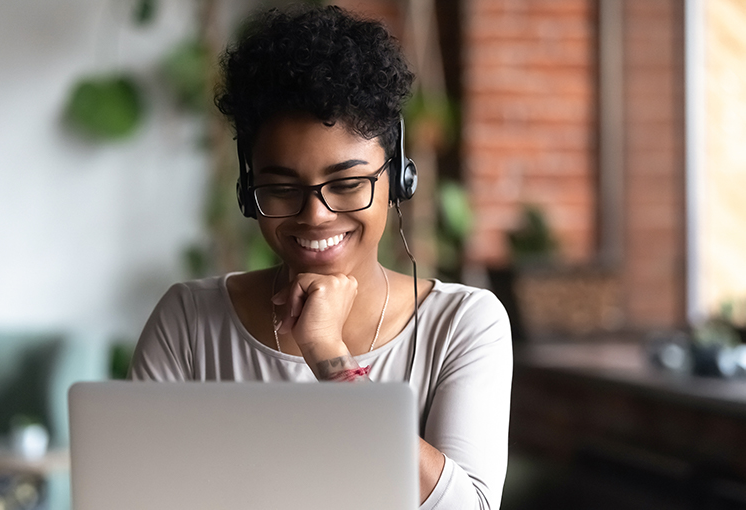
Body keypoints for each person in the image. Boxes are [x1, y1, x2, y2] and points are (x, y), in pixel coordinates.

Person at [129, 5, 512, 509]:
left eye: (348, 184)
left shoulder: (463, 324)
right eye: (282, 188)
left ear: (397, 179)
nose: (315, 215)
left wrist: (331, 358)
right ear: (249, 191)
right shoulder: (190, 322)